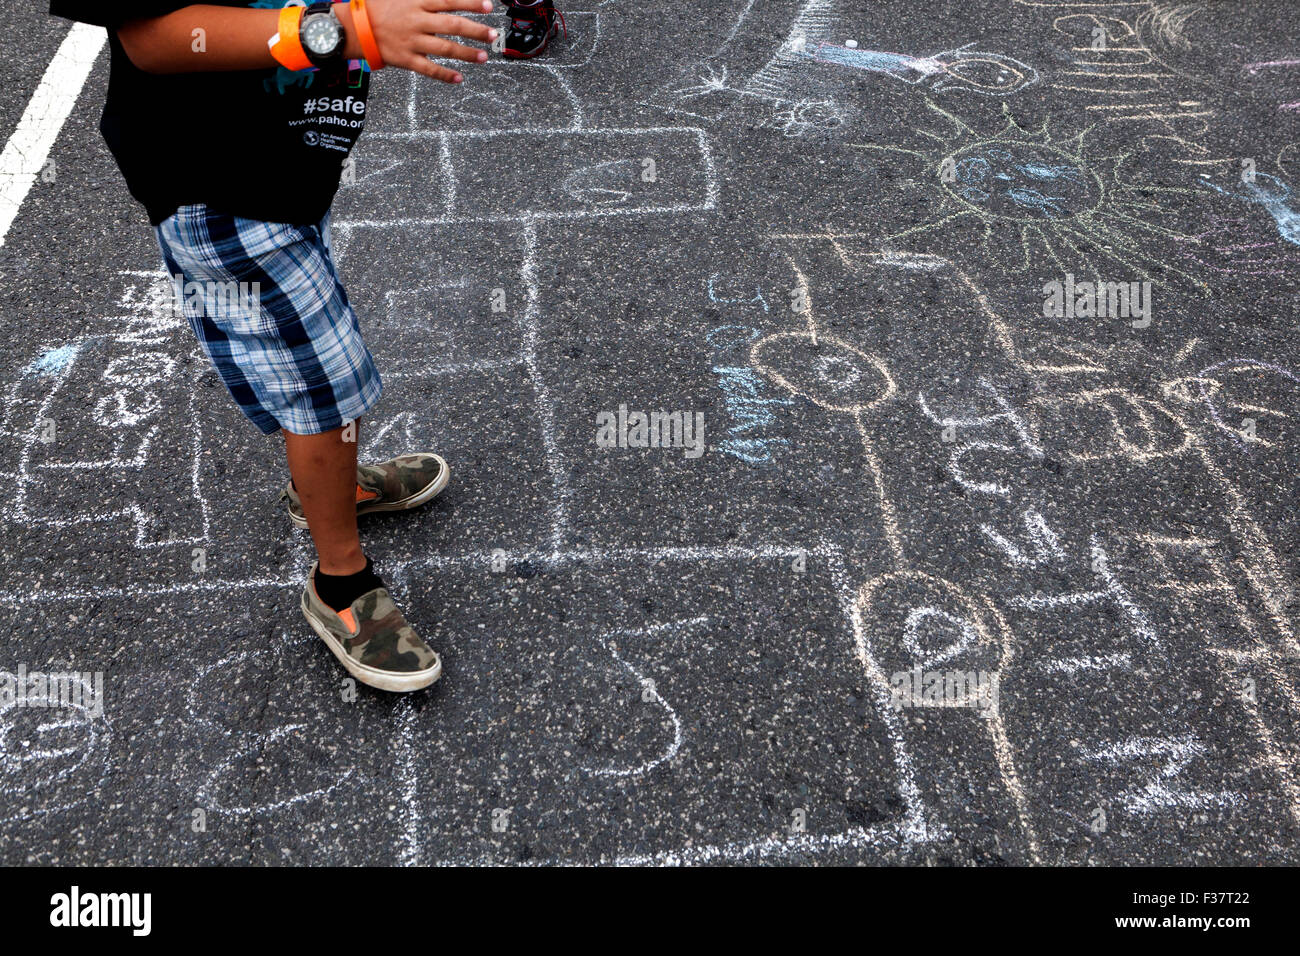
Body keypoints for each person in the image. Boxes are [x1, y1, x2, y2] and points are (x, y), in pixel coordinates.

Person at [48, 0, 498, 692]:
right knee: (322, 382)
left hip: (285, 165)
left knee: (315, 356)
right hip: (217, 184)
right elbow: (151, 36)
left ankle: (332, 487)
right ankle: (339, 582)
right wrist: (346, 30)